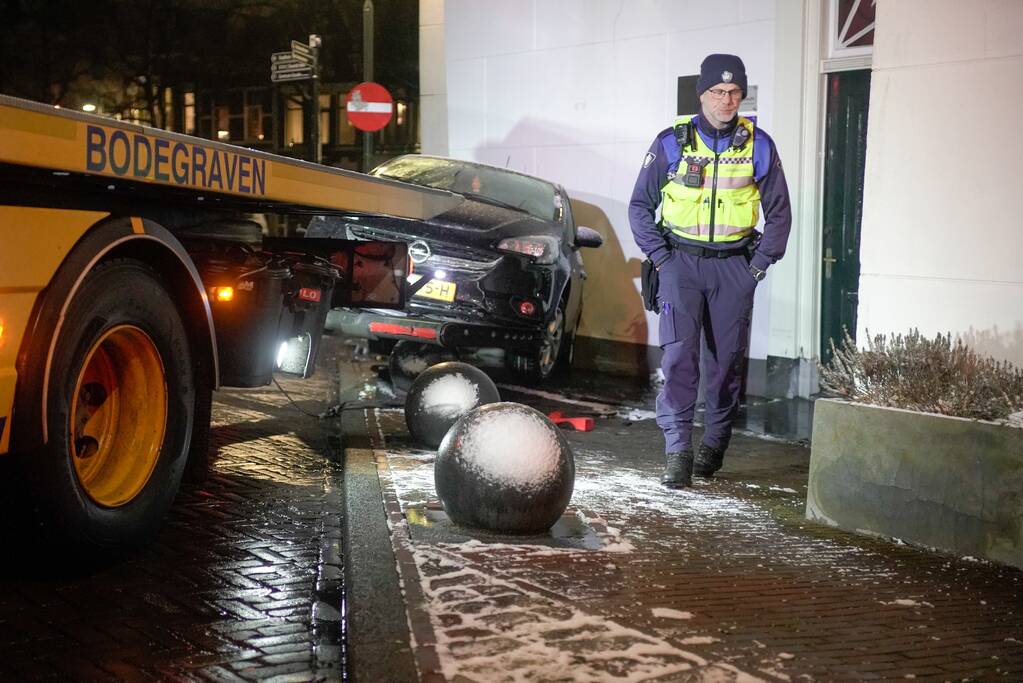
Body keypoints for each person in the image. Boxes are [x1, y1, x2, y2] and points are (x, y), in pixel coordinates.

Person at [628, 54, 792, 488]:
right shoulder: (671, 143)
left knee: (724, 367)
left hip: (734, 268)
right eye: (718, 92)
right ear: (701, 95)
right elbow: (640, 208)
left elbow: (779, 215)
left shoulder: (759, 145)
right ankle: (677, 452)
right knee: (679, 358)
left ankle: (714, 445)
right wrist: (661, 259)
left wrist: (757, 267)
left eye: (734, 92)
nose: (726, 100)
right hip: (679, 264)